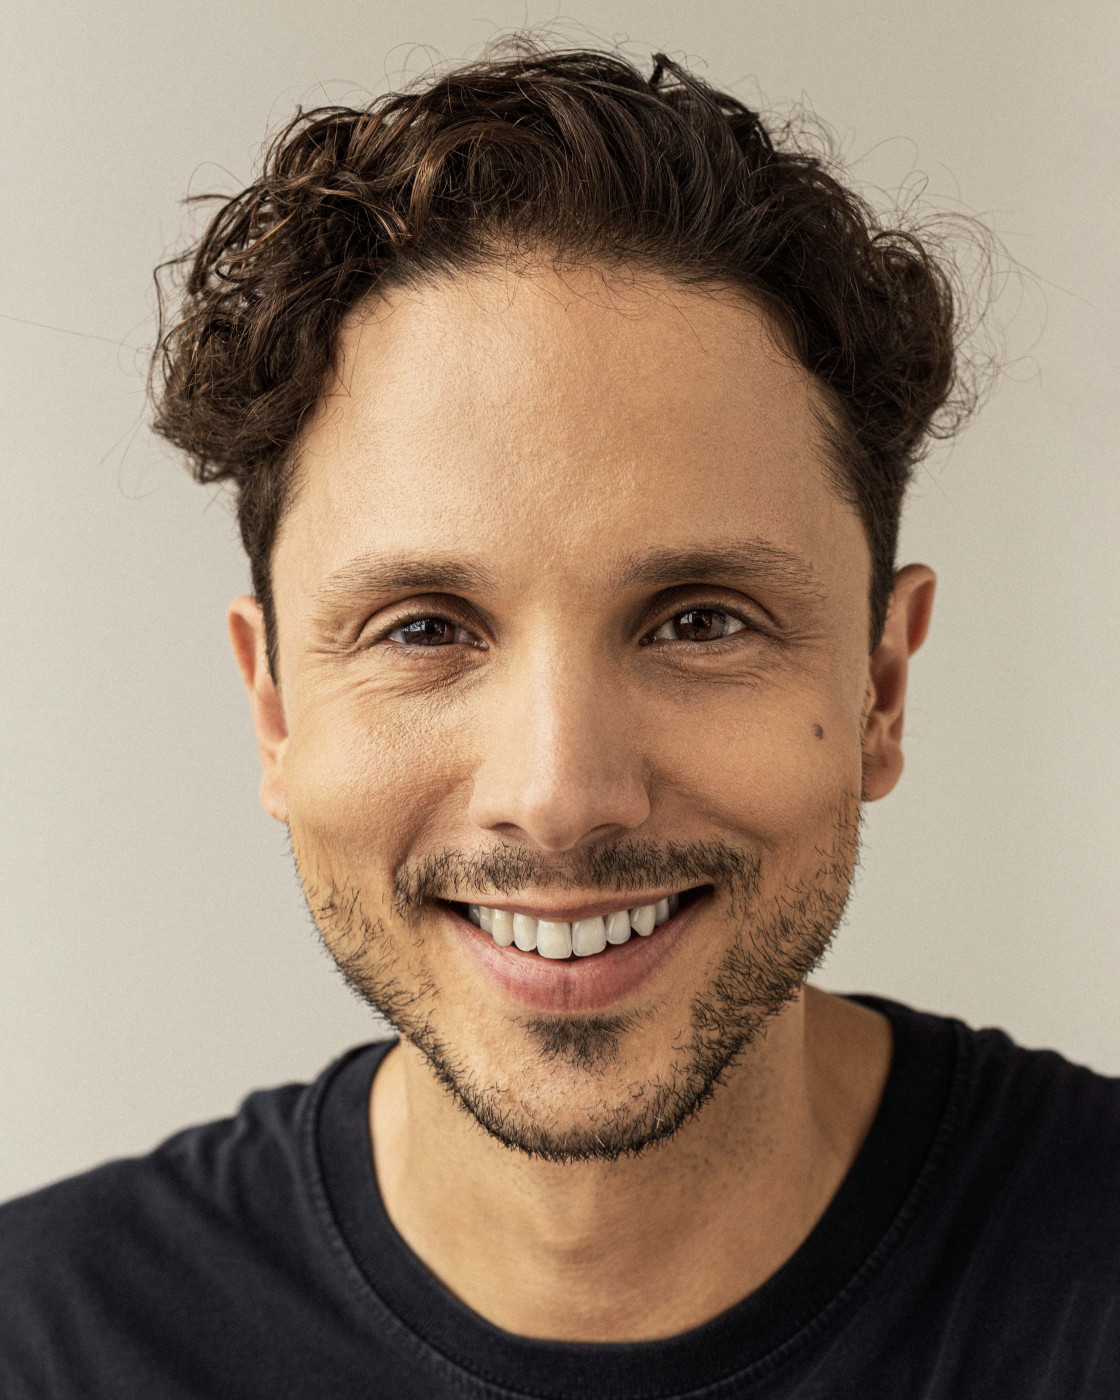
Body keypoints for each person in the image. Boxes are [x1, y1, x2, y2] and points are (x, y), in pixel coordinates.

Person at [2, 39, 1117, 1399]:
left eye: (700, 621)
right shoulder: (43, 1343)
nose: (560, 794)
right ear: (273, 705)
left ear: (879, 686)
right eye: (424, 629)